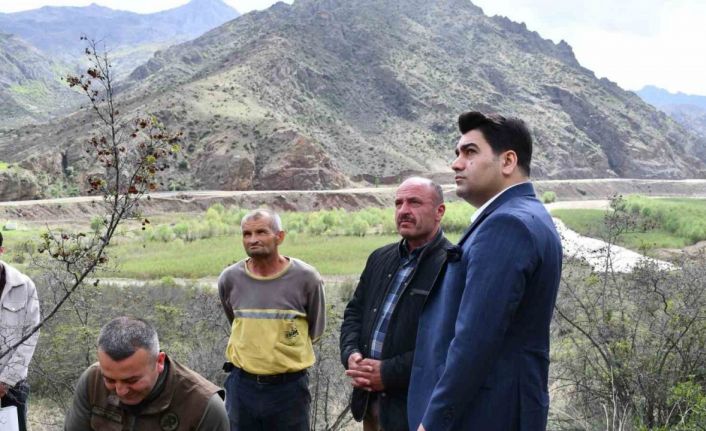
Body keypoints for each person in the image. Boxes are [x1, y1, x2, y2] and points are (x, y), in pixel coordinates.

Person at [408, 112, 563, 430]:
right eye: (457, 153)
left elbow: (475, 341)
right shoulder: (528, 215)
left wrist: (433, 422)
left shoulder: (507, 224)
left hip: (487, 413)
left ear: (507, 161)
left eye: (470, 152)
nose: (456, 164)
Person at [339, 177, 450, 431]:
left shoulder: (452, 265)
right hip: (371, 405)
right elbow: (354, 313)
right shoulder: (380, 257)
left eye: (414, 202)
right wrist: (351, 354)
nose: (403, 211)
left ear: (439, 211)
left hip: (416, 413)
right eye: (398, 203)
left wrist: (388, 372)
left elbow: (449, 343)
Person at [218, 208, 326, 431]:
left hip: (289, 390)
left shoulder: (306, 278)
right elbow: (235, 321)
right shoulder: (230, 278)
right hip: (242, 387)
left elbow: (315, 330)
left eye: (261, 232)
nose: (253, 239)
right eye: (247, 234)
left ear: (280, 236)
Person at [64, 316, 228, 430]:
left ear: (159, 362)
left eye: (132, 380)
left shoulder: (204, 406)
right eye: (110, 380)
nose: (120, 391)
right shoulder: (92, 380)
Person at [0, 231, 40, 431]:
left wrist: (5, 381)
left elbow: (31, 335)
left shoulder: (24, 286)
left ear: (1, 250)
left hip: (14, 385)